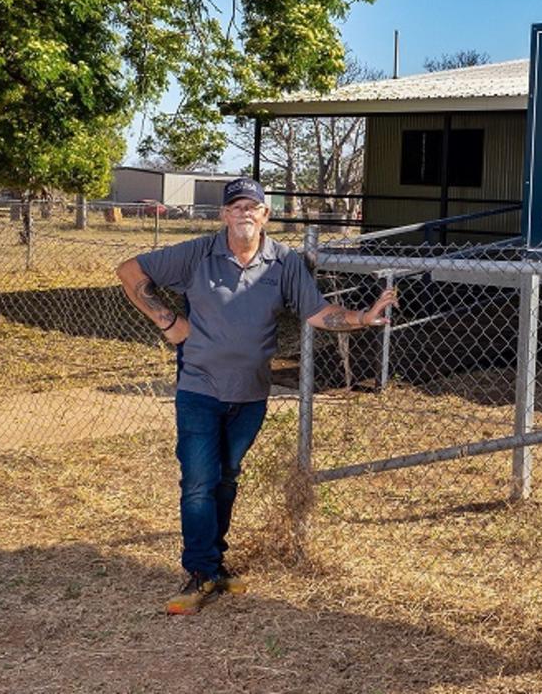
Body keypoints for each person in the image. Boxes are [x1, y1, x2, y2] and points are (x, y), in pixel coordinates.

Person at [116, 177, 396, 615]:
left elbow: (320, 312)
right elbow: (130, 271)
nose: (244, 212)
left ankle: (215, 565)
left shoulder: (283, 263)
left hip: (250, 394)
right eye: (236, 206)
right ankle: (199, 573)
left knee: (226, 479)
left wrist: (363, 316)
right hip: (199, 387)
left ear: (266, 215)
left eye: (253, 206)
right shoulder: (198, 254)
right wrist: (169, 322)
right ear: (224, 214)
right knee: (198, 482)